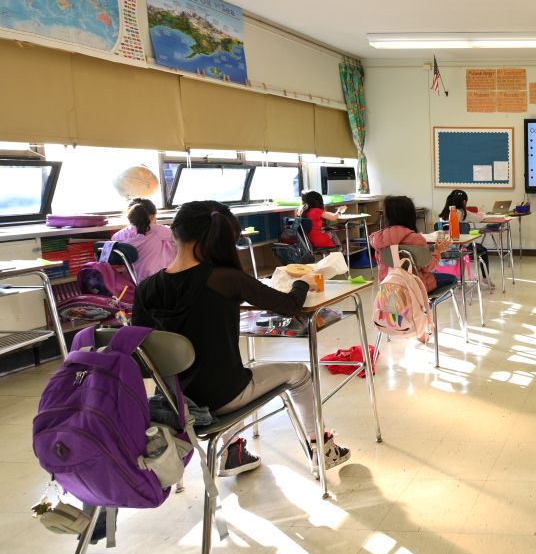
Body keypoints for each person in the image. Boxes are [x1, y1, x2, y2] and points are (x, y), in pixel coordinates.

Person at [133, 200, 350, 476]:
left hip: (176, 403)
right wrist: (301, 283)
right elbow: (290, 305)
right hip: (224, 397)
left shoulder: (145, 289)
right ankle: (322, 449)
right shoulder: (225, 279)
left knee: (225, 374)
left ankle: (233, 452)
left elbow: (141, 358)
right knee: (300, 373)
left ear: (173, 232)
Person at [371, 195, 454, 293]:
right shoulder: (416, 239)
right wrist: (437, 251)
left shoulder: (377, 239)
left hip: (389, 288)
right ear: (410, 215)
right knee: (452, 278)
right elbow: (428, 267)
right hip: (416, 287)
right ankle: (424, 306)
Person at [110, 197, 174, 282]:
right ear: (152, 216)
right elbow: (180, 236)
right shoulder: (158, 230)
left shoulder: (118, 236)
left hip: (131, 281)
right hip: (155, 281)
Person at [437, 189, 490, 286]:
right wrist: (482, 214)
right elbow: (479, 218)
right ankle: (485, 278)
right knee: (483, 250)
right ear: (464, 202)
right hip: (461, 248)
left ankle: (457, 278)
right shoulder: (462, 212)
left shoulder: (443, 214)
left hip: (445, 249)